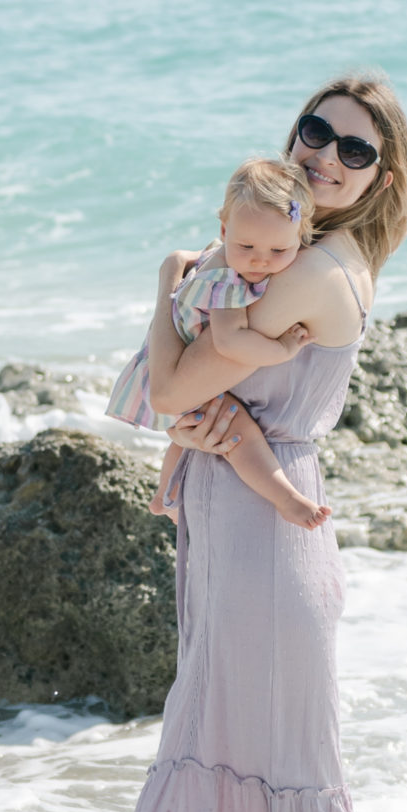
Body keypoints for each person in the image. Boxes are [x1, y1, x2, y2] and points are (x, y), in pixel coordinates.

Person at [121, 73, 407, 812]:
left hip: (269, 535)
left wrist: (167, 284)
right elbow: (194, 386)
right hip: (228, 522)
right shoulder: (284, 249)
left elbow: (169, 390)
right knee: (227, 757)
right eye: (315, 132)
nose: (325, 156)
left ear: (380, 176)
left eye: (354, 150)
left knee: (300, 778)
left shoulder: (312, 273)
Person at [107, 154, 330, 532]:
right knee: (237, 431)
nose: (260, 262)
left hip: (171, 360)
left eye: (279, 251)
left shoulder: (229, 255)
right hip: (175, 368)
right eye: (247, 248)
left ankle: (164, 495)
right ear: (225, 231)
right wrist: (283, 350)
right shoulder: (227, 281)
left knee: (187, 437)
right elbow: (229, 341)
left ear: (301, 237)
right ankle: (285, 497)